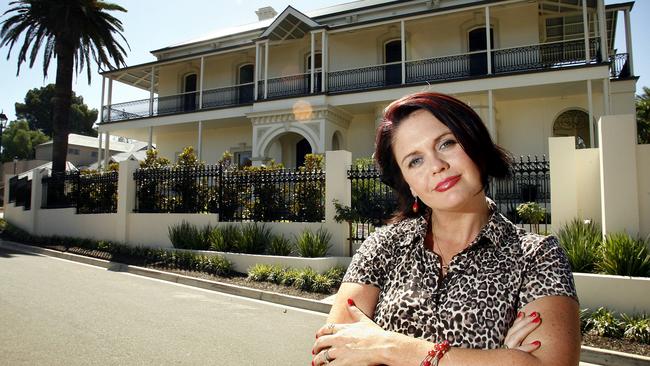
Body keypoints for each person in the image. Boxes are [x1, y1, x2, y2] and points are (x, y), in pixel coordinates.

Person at [311, 92, 580, 365]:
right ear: (410, 185)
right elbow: (331, 355)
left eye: (447, 143)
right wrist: (501, 358)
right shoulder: (382, 247)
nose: (437, 166)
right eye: (415, 161)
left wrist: (389, 347)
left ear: (474, 144)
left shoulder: (538, 256)